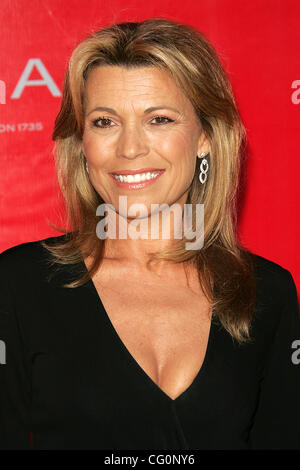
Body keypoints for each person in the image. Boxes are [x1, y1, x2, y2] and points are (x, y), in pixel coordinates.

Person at [0, 18, 300, 451]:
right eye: (105, 122)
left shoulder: (266, 292)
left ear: (205, 138)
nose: (129, 149)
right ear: (81, 141)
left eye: (158, 119)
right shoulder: (18, 285)